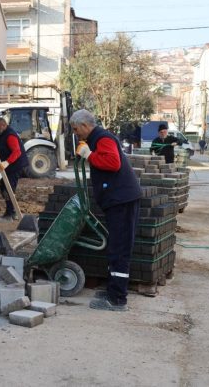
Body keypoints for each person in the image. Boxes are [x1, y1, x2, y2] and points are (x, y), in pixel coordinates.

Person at [70, 109, 142, 312]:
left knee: (120, 248)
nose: (77, 134)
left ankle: (118, 299)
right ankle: (113, 291)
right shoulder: (98, 138)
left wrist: (90, 155)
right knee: (115, 246)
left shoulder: (102, 137)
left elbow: (113, 163)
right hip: (118, 199)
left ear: (85, 125)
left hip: (122, 200)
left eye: (77, 130)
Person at [0, 117, 29, 222]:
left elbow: (17, 151)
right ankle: (13, 212)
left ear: (3, 125)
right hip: (12, 166)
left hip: (15, 166)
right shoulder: (3, 134)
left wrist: (7, 162)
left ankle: (9, 215)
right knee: (4, 187)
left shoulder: (10, 135)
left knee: (7, 188)